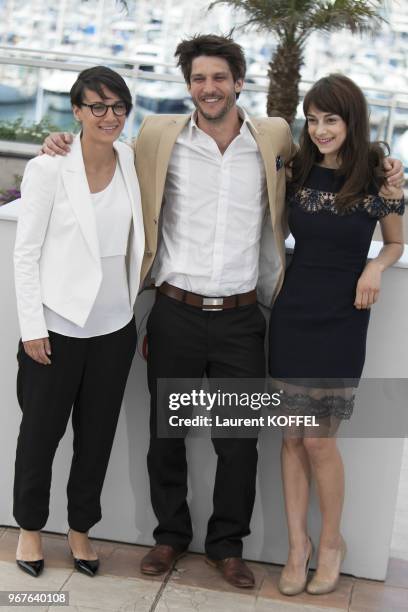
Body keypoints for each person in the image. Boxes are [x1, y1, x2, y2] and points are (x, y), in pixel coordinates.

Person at [41, 35, 404, 589]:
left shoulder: (277, 138)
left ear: (239, 82)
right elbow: (107, 144)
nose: (208, 88)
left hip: (241, 319)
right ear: (189, 86)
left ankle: (227, 546)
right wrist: (61, 139)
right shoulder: (161, 136)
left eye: (219, 77)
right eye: (198, 79)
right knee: (168, 435)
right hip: (175, 311)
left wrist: (387, 177)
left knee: (236, 443)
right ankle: (169, 537)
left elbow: (344, 166)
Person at [268, 74, 404, 596]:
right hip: (294, 311)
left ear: (352, 120)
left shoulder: (378, 173)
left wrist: (374, 270)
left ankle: (331, 544)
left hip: (344, 317)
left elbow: (394, 242)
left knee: (320, 441)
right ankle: (296, 546)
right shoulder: (297, 167)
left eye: (332, 119)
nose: (321, 129)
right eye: (314, 118)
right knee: (292, 437)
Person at [13, 66, 144, 578]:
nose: (109, 117)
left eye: (118, 107)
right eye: (98, 107)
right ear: (77, 110)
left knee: (97, 438)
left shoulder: (132, 160)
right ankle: (29, 530)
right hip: (55, 327)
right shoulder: (49, 168)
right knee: (39, 436)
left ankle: (81, 529)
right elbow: (26, 254)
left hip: (114, 327)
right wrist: (31, 328)